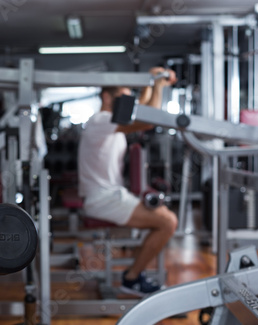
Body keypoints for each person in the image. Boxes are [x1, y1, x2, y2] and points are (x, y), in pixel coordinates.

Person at [78, 67, 179, 297]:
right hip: (102, 199)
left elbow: (137, 113)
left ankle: (135, 274)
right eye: (122, 98)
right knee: (167, 222)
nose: (126, 103)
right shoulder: (101, 120)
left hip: (111, 195)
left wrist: (148, 85)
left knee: (164, 220)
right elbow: (148, 121)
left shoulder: (110, 122)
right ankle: (132, 278)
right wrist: (159, 86)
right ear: (106, 97)